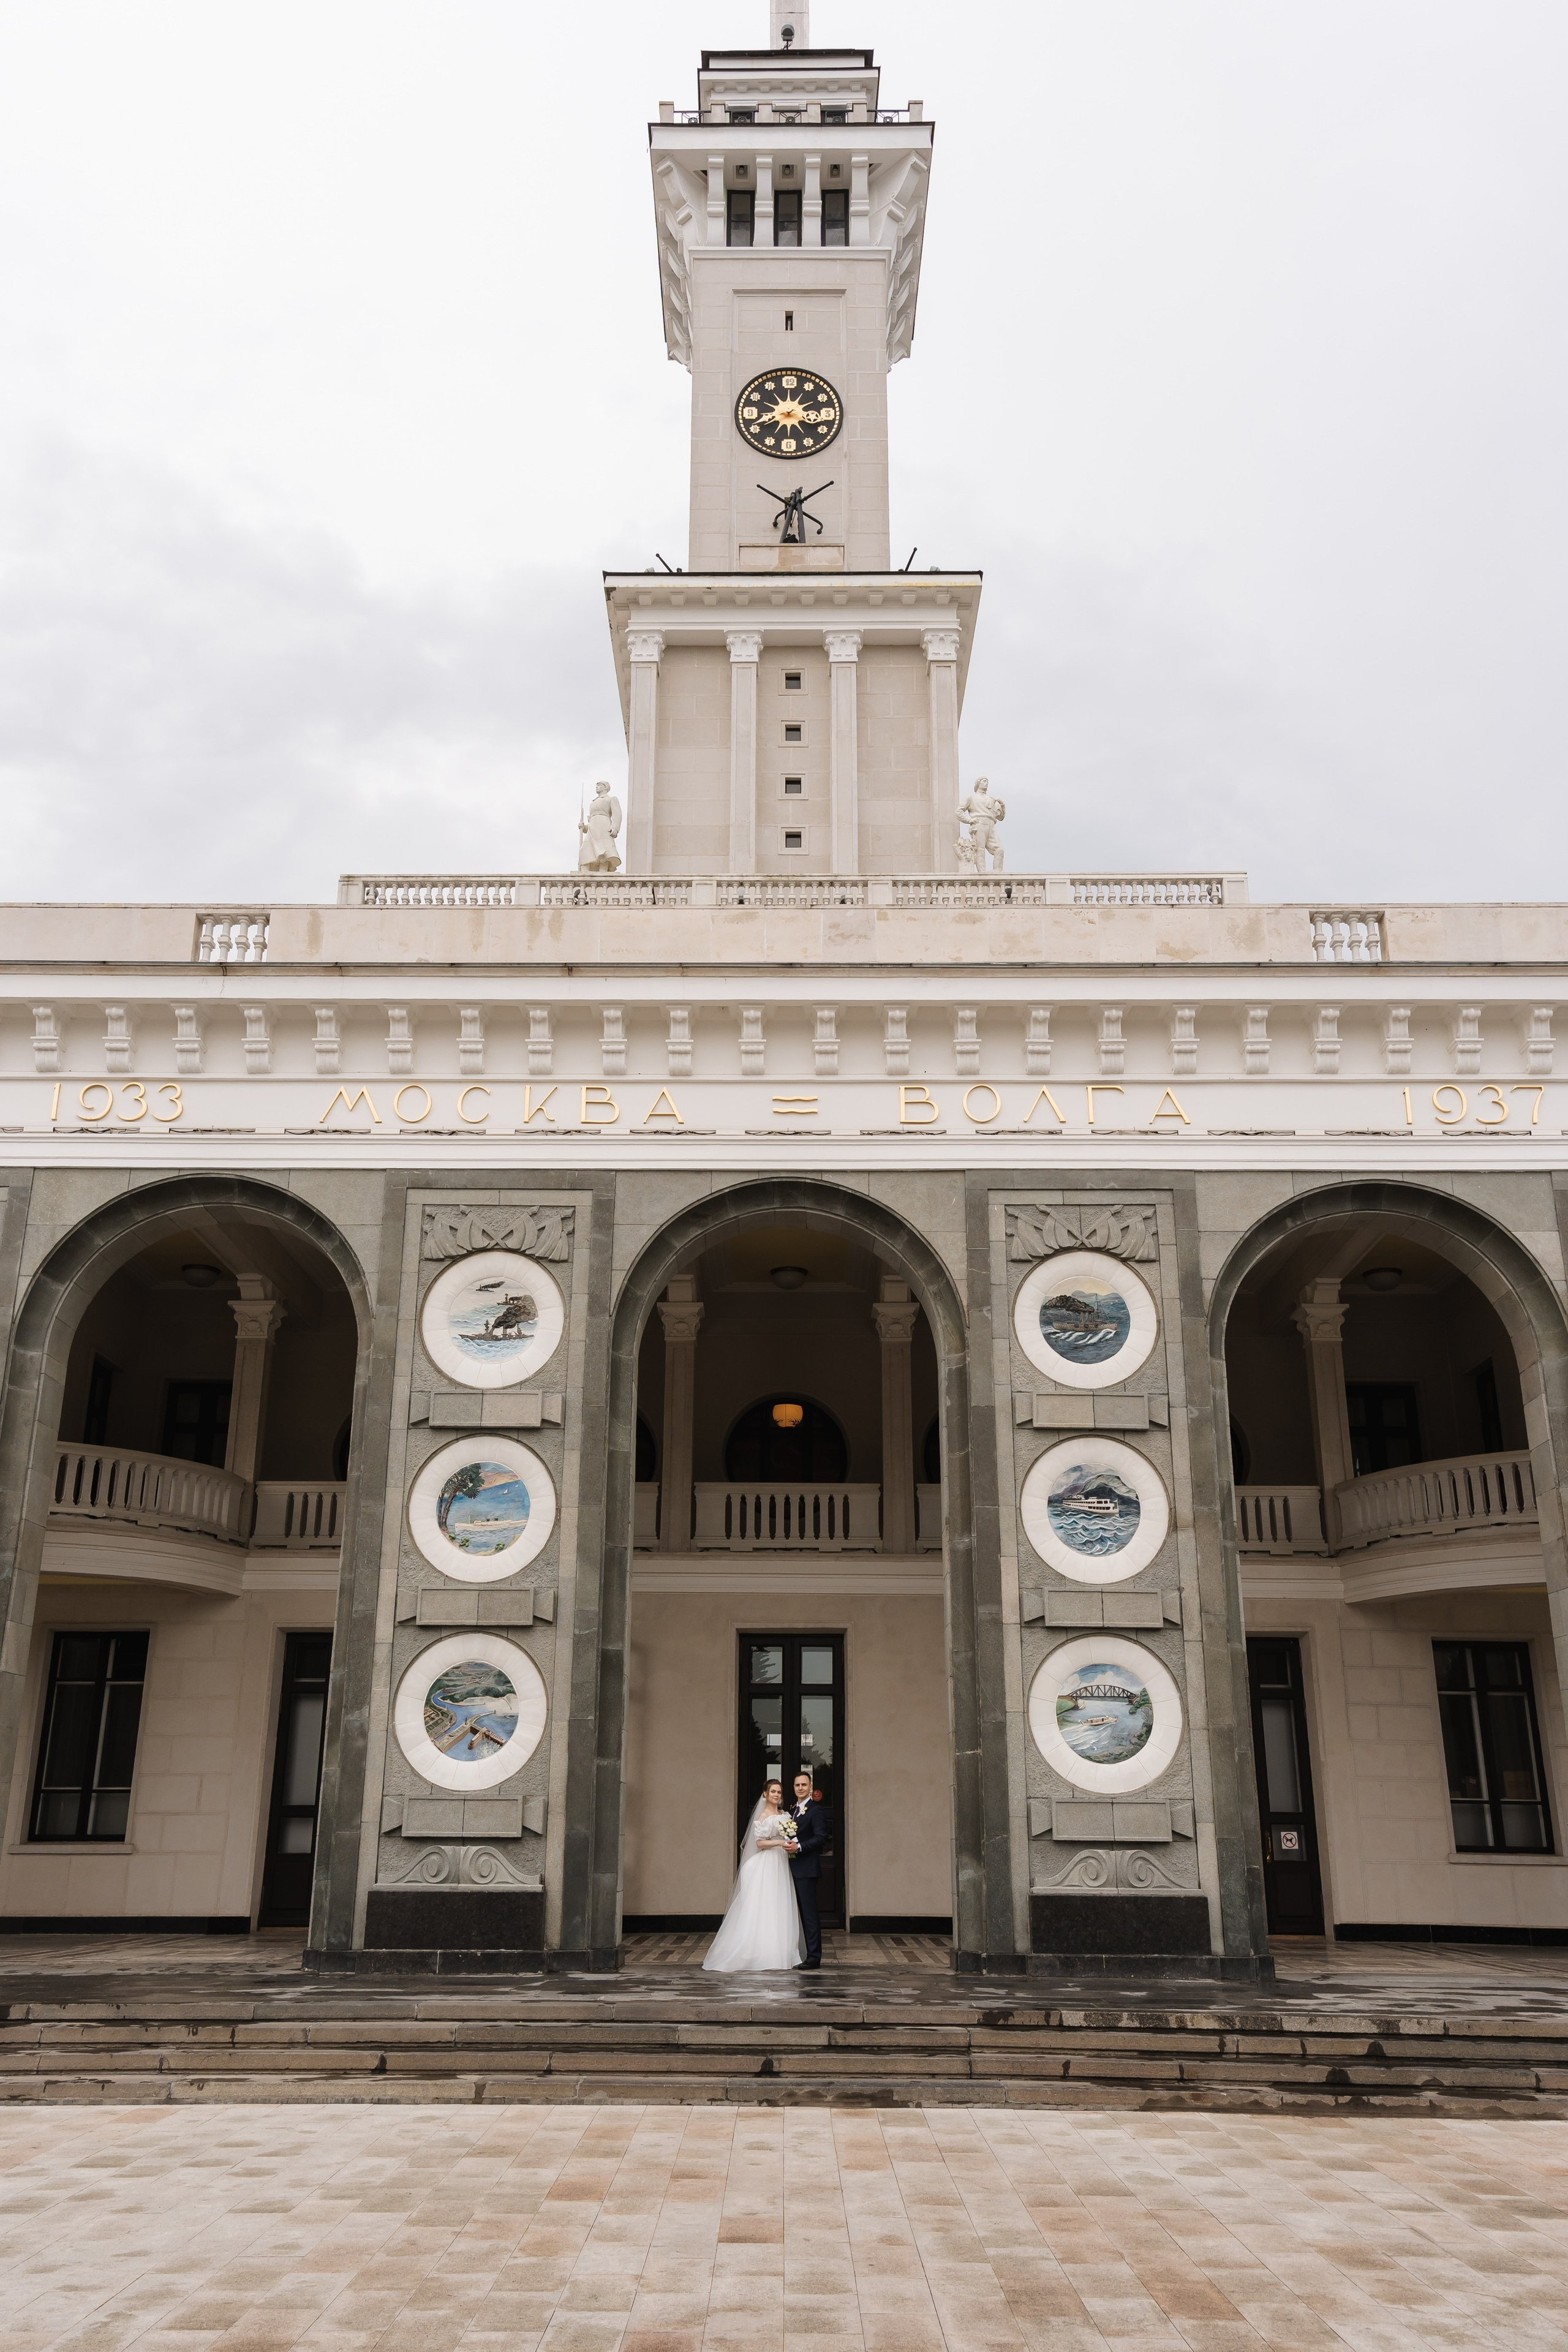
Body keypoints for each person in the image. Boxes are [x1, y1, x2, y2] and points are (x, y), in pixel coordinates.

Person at [701, 1778, 806, 1972]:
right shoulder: (763, 1816)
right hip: (769, 1862)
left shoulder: (784, 1814)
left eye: (779, 1792)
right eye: (773, 1792)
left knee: (780, 1903)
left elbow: (790, 1836)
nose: (776, 1795)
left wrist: (789, 1842)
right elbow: (759, 1844)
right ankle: (762, 1951)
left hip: (782, 1863)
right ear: (765, 1794)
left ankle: (782, 1951)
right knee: (766, 1905)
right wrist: (778, 1843)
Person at [785, 1768, 829, 1970]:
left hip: (807, 1870)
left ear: (811, 1787)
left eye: (804, 1784)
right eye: (797, 1785)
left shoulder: (816, 1810)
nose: (800, 1788)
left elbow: (821, 1838)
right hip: (791, 1868)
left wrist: (799, 1847)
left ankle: (814, 1956)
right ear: (794, 1788)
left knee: (809, 1914)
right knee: (796, 1913)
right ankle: (801, 1952)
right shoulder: (793, 1810)